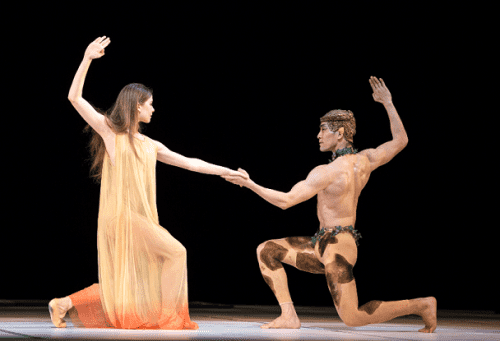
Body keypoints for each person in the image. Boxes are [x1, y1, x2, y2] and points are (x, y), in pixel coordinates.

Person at [48, 36, 247, 330]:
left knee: (135, 283)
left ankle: (63, 303)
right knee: (176, 252)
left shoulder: (150, 145)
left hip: (136, 220)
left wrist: (225, 171)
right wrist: (87, 58)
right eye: (150, 104)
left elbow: (189, 161)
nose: (154, 109)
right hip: (122, 219)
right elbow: (74, 98)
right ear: (136, 107)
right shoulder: (111, 136)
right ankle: (168, 317)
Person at [223, 76, 437, 333]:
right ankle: (289, 316)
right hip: (322, 244)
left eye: (323, 129)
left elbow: (286, 201)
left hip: (338, 250)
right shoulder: (366, 160)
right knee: (267, 250)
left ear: (341, 133)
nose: (318, 135)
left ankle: (421, 305)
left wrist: (250, 184)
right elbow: (400, 141)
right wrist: (388, 104)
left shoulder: (327, 172)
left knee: (353, 317)